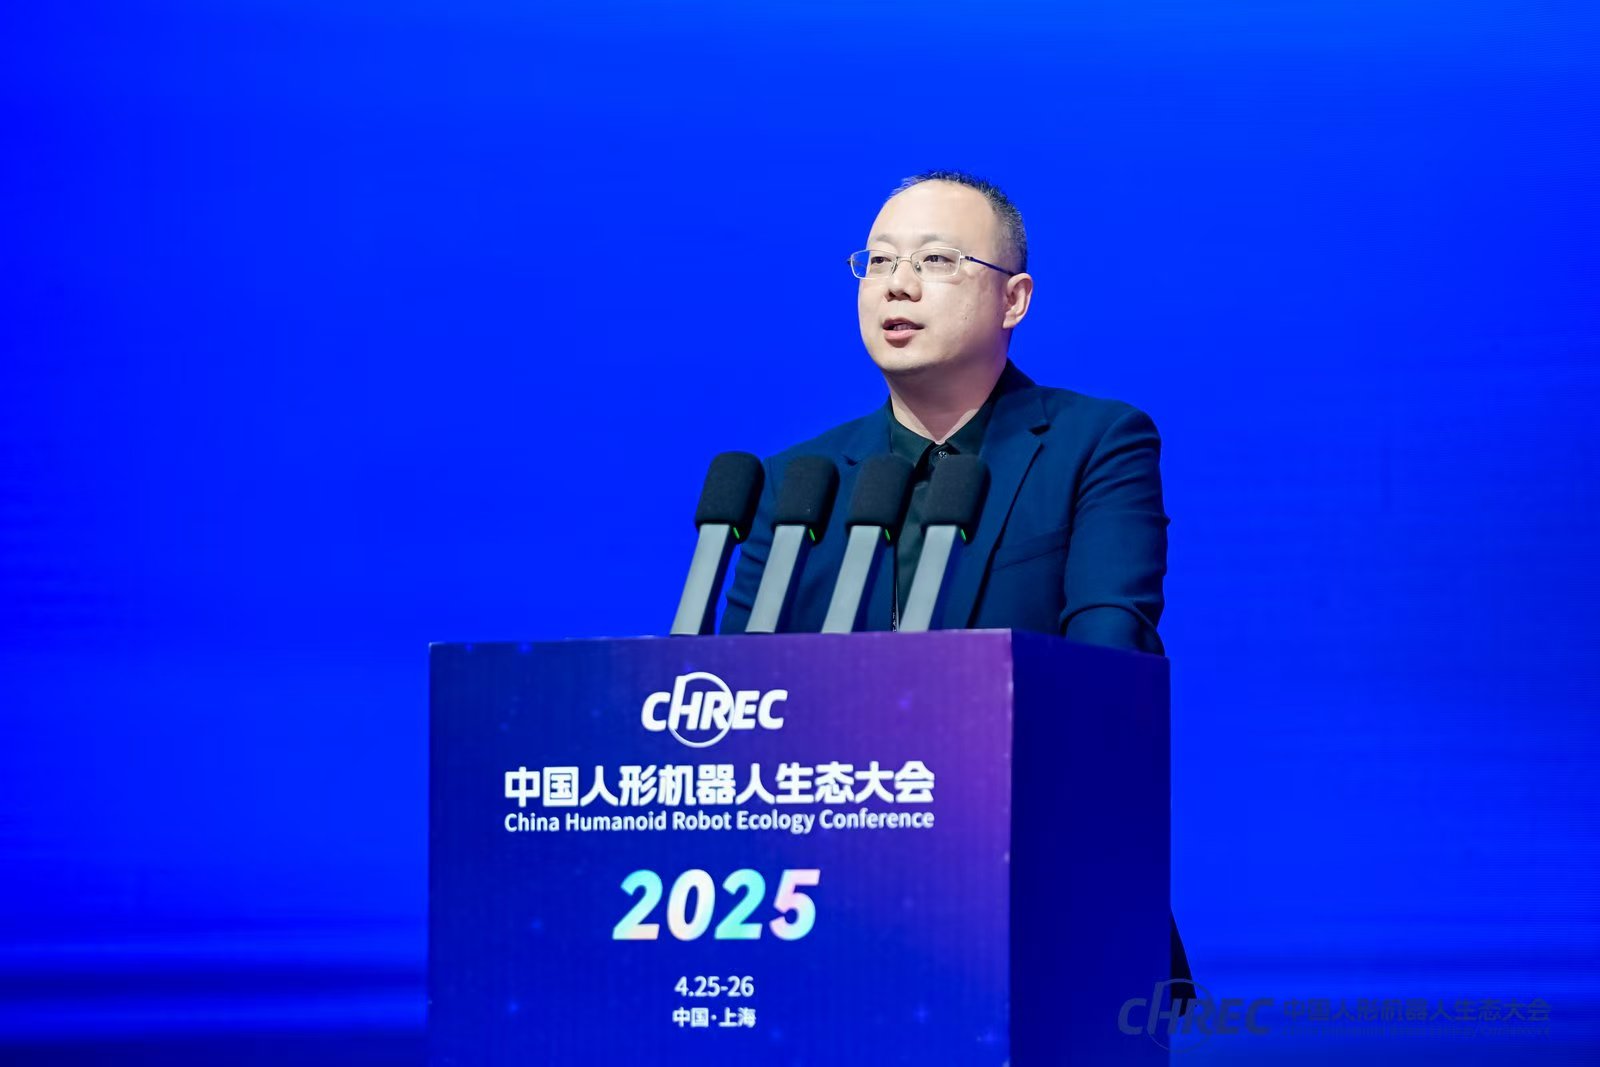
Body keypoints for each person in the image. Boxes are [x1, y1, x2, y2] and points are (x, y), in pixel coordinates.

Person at [719, 169, 1192, 992]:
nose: (896, 284)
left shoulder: (1095, 443)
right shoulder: (796, 483)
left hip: (1044, 893)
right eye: (878, 261)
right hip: (826, 913)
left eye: (935, 260)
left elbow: (1107, 662)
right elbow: (733, 695)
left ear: (1015, 300)